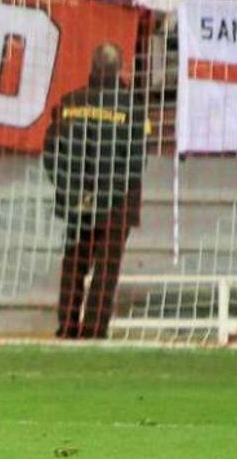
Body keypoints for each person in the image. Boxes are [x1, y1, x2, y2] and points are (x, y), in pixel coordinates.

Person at [41, 42, 148, 339]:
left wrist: (66, 186)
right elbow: (137, 161)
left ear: (93, 67)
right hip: (118, 203)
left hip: (77, 199)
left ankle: (67, 325)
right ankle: (95, 327)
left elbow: (51, 151)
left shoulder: (69, 103)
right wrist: (112, 194)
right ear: (119, 69)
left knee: (75, 262)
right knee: (107, 267)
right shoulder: (132, 109)